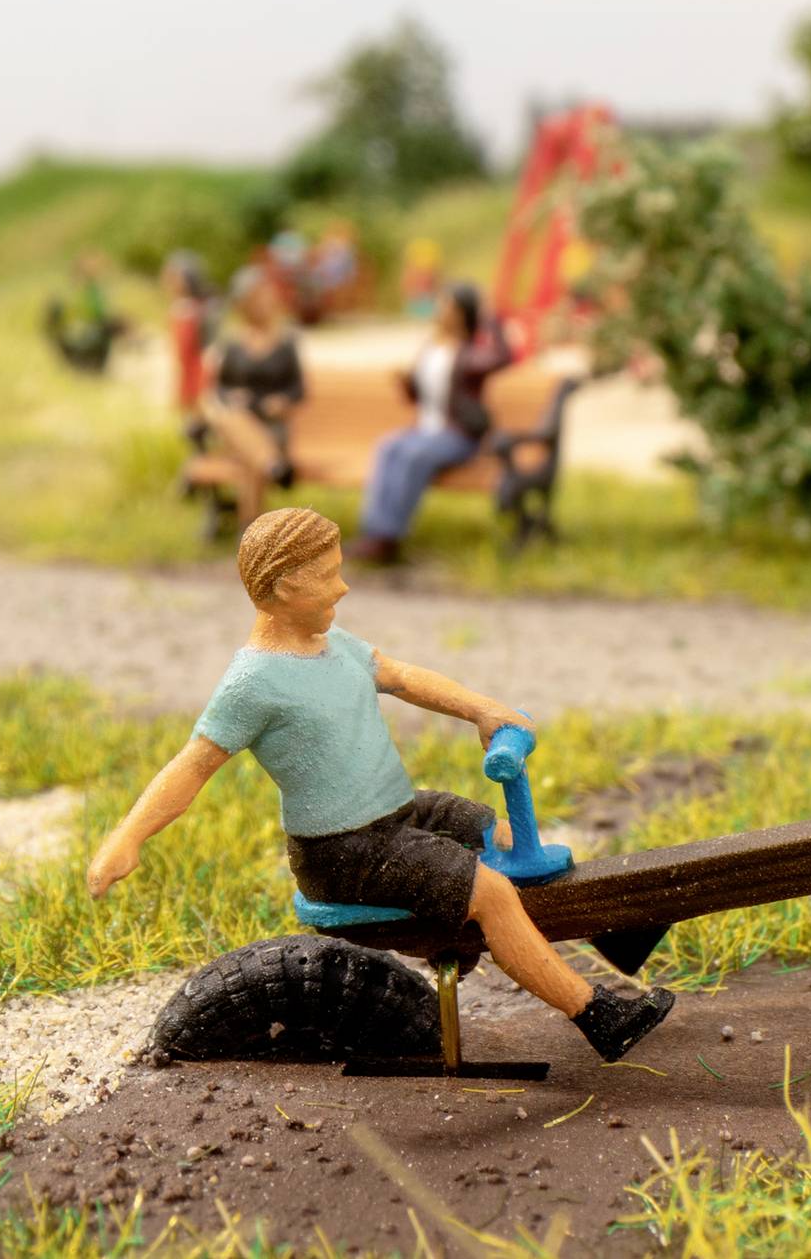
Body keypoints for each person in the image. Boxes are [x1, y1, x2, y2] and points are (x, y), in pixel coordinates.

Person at [86, 507, 675, 1062]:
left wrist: (481, 710)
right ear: (287, 586)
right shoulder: (253, 684)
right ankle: (597, 1017)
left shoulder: (332, 644)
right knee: (492, 892)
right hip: (345, 852)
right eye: (329, 577)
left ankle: (613, 936)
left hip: (395, 816)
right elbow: (193, 764)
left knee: (499, 832)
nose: (343, 589)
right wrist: (127, 837)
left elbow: (400, 675)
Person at [351, 283, 514, 566]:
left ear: (462, 313)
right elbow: (421, 396)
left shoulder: (469, 353)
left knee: (414, 455)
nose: (440, 311)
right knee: (389, 447)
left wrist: (491, 317)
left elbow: (503, 357)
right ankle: (374, 531)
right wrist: (407, 382)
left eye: (447, 305)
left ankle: (389, 537)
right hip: (425, 430)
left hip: (457, 435)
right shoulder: (431, 346)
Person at [196, 271, 306, 526]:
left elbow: (298, 389)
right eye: (256, 299)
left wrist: (282, 401)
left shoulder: (286, 343)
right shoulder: (233, 344)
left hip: (270, 425)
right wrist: (233, 395)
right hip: (239, 423)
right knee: (231, 417)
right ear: (244, 305)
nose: (263, 304)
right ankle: (274, 466)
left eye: (265, 298)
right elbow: (220, 388)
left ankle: (249, 533)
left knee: (247, 458)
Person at [161, 250, 216, 421]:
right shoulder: (192, 308)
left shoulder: (185, 310)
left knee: (193, 418)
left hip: (192, 372)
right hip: (193, 369)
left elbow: (184, 351)